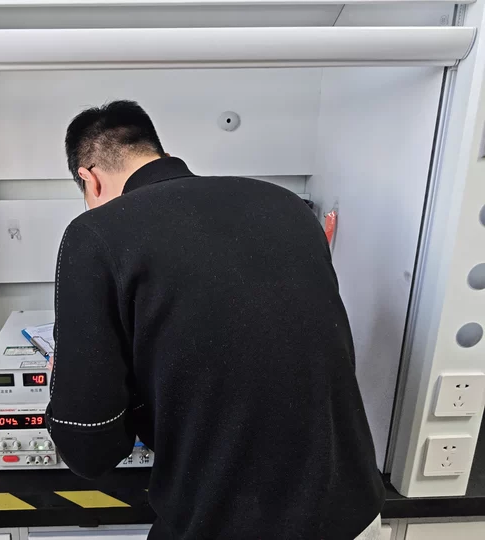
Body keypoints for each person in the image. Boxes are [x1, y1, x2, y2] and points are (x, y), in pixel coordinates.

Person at [45, 100, 385, 540]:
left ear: (88, 179)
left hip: (230, 523)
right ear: (162, 154)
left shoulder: (95, 234)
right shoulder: (287, 206)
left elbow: (90, 450)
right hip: (354, 511)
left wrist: (63, 379)